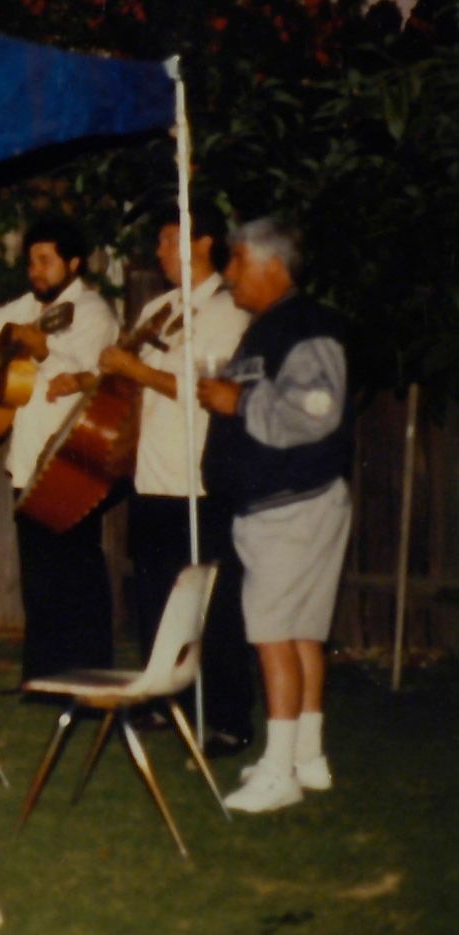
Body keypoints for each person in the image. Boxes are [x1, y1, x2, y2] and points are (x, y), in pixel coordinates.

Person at [199, 218, 352, 813]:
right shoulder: (273, 326)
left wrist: (238, 401)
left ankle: (277, 770)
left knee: (270, 634)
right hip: (290, 504)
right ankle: (307, 757)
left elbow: (316, 413)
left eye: (237, 260)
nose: (228, 272)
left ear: (272, 265)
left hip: (289, 508)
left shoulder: (305, 327)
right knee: (301, 632)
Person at [96, 206, 256, 754]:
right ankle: (165, 702)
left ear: (203, 242)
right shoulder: (159, 308)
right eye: (161, 242)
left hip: (200, 479)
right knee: (156, 596)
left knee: (213, 602)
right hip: (151, 476)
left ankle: (230, 716)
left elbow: (203, 389)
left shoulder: (227, 310)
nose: (160, 251)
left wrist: (134, 369)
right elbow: (132, 384)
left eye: (170, 240)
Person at [0, 218, 119, 682]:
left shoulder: (92, 312)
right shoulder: (28, 307)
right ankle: (43, 675)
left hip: (74, 456)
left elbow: (85, 369)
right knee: (39, 576)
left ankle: (88, 674)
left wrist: (42, 348)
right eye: (31, 262)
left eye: (45, 261)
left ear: (73, 263)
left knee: (76, 572)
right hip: (29, 460)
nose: (35, 271)